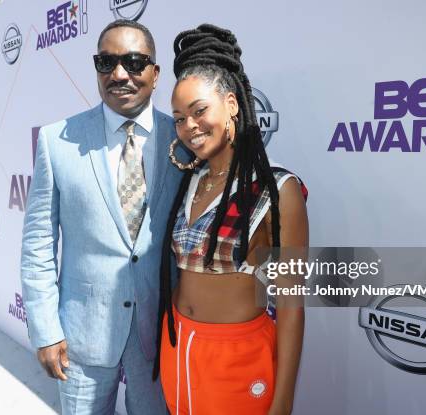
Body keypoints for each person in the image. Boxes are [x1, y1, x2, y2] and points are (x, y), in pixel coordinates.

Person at [20, 19, 185, 415]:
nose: (119, 74)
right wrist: (45, 330)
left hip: (161, 336)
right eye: (106, 62)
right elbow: (38, 244)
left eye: (133, 61)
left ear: (156, 72)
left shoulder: (183, 140)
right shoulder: (56, 140)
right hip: (82, 340)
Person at [154, 24, 309, 415]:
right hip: (176, 343)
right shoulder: (188, 181)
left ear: (232, 104)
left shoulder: (277, 190)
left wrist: (284, 399)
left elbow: (290, 303)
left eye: (199, 110)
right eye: (178, 118)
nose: (189, 126)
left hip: (237, 357)